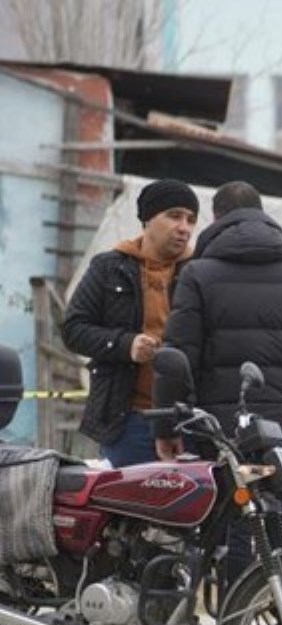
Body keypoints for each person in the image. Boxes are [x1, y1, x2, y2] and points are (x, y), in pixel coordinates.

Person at [158, 182, 282, 625]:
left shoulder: (198, 274)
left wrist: (170, 423)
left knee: (236, 535)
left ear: (217, 219)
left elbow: (179, 354)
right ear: (266, 217)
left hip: (223, 430)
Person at [62, 179, 198, 467]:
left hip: (189, 422)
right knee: (130, 509)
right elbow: (73, 329)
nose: (184, 227)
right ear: (148, 219)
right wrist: (127, 345)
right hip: (129, 419)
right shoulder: (110, 267)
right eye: (174, 215)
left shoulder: (199, 272)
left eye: (190, 219)